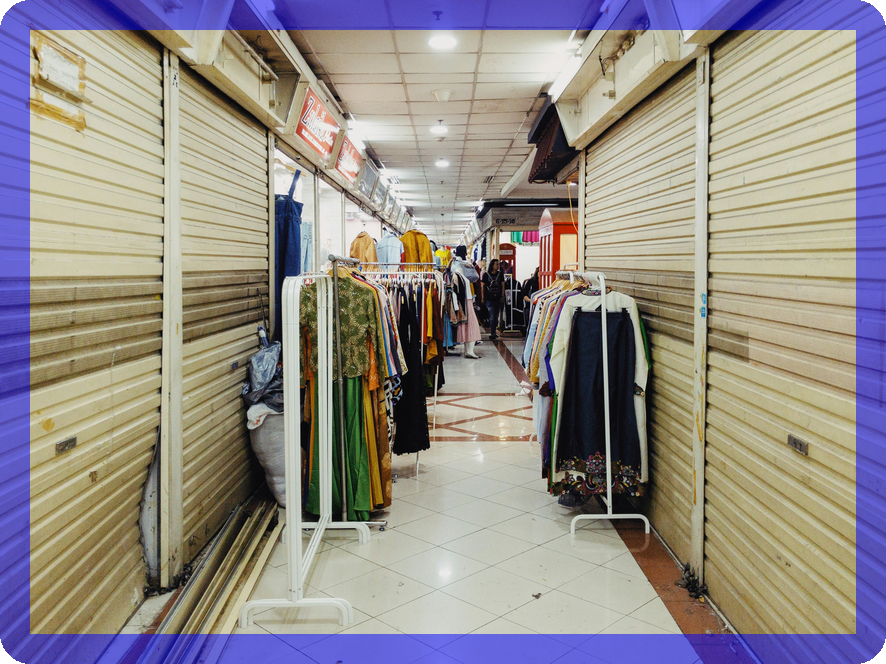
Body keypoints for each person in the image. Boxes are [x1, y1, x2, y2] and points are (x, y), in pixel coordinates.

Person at [451, 245, 482, 358]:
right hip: (466, 299)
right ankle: (469, 350)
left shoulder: (454, 265)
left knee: (465, 325)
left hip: (462, 300)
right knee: (472, 324)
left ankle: (467, 350)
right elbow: (475, 277)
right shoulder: (466, 265)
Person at [482, 259, 505, 339]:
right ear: (492, 265)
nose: (498, 266)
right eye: (496, 264)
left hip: (498, 298)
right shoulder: (486, 274)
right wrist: (483, 297)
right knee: (492, 316)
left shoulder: (500, 274)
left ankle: (494, 331)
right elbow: (483, 286)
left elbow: (503, 285)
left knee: (496, 316)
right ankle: (493, 332)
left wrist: (502, 296)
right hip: (489, 298)